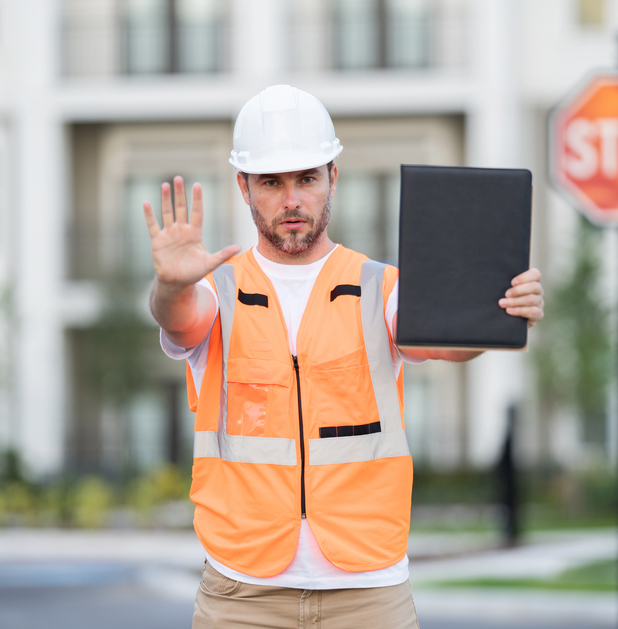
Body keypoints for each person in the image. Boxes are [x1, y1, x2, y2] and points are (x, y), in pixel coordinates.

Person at [143, 85, 544, 629]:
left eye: (307, 178)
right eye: (271, 182)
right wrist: (169, 286)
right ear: (243, 186)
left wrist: (500, 310)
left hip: (368, 594)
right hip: (243, 595)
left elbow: (448, 340)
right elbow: (178, 317)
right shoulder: (216, 291)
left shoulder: (381, 287)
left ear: (334, 175)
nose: (291, 200)